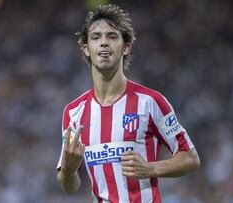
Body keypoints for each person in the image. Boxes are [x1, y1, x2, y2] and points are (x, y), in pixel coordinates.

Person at [56, 4, 200, 203]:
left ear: (126, 47)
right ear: (86, 49)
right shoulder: (73, 112)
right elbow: (69, 185)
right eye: (96, 37)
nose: (104, 43)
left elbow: (191, 158)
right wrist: (68, 171)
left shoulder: (150, 102)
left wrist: (151, 168)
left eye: (112, 36)